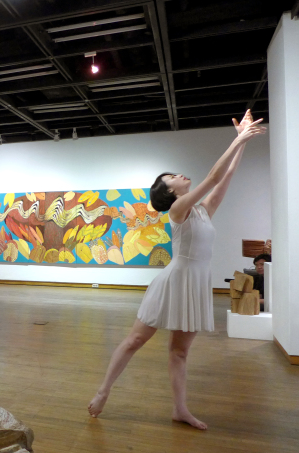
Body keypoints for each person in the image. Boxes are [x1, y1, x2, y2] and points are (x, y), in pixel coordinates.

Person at [87, 110, 267, 430]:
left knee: (180, 352)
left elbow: (223, 179)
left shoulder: (202, 211)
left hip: (196, 283)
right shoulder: (178, 209)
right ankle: (103, 392)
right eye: (173, 177)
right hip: (174, 281)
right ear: (170, 192)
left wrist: (241, 143)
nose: (180, 175)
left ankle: (180, 409)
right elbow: (212, 177)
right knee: (134, 341)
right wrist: (237, 138)